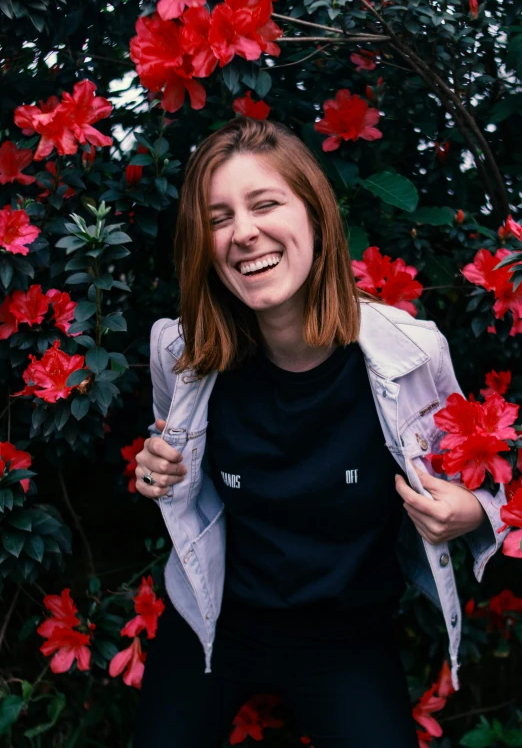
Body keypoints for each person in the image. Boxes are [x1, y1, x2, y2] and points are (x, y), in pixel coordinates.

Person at [132, 117, 510, 748]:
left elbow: (483, 473)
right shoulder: (180, 349)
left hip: (345, 637)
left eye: (265, 204)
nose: (243, 232)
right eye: (219, 217)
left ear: (314, 215)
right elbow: (172, 447)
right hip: (215, 622)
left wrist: (473, 510)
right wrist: (156, 469)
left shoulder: (412, 355)